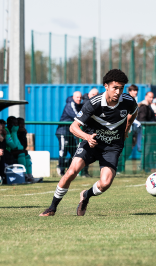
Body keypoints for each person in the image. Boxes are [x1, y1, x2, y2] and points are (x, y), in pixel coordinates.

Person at [40, 69, 138, 217]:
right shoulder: (93, 103)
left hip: (112, 146)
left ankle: (86, 195)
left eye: (121, 88)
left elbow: (134, 112)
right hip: (91, 142)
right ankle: (52, 208)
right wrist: (86, 137)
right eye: (115, 88)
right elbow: (73, 127)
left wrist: (127, 128)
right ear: (106, 86)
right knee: (71, 172)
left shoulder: (128, 101)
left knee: (105, 183)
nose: (118, 92)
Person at [55, 91, 84, 177]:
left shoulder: (79, 106)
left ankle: (69, 167)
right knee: (63, 151)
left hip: (71, 132)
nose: (79, 99)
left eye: (80, 97)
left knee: (75, 152)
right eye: (77, 97)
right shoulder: (70, 105)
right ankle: (61, 169)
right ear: (73, 97)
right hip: (63, 131)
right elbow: (77, 116)